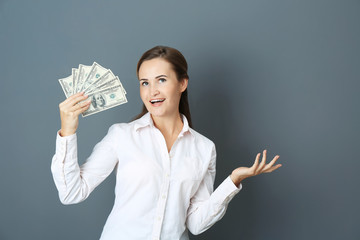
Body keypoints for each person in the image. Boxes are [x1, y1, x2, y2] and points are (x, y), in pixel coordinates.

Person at [51, 46, 282, 240]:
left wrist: (233, 181)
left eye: (161, 80)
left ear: (182, 83)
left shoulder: (203, 148)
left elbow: (195, 224)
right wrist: (68, 131)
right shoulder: (122, 136)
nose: (152, 91)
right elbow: (71, 193)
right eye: (144, 83)